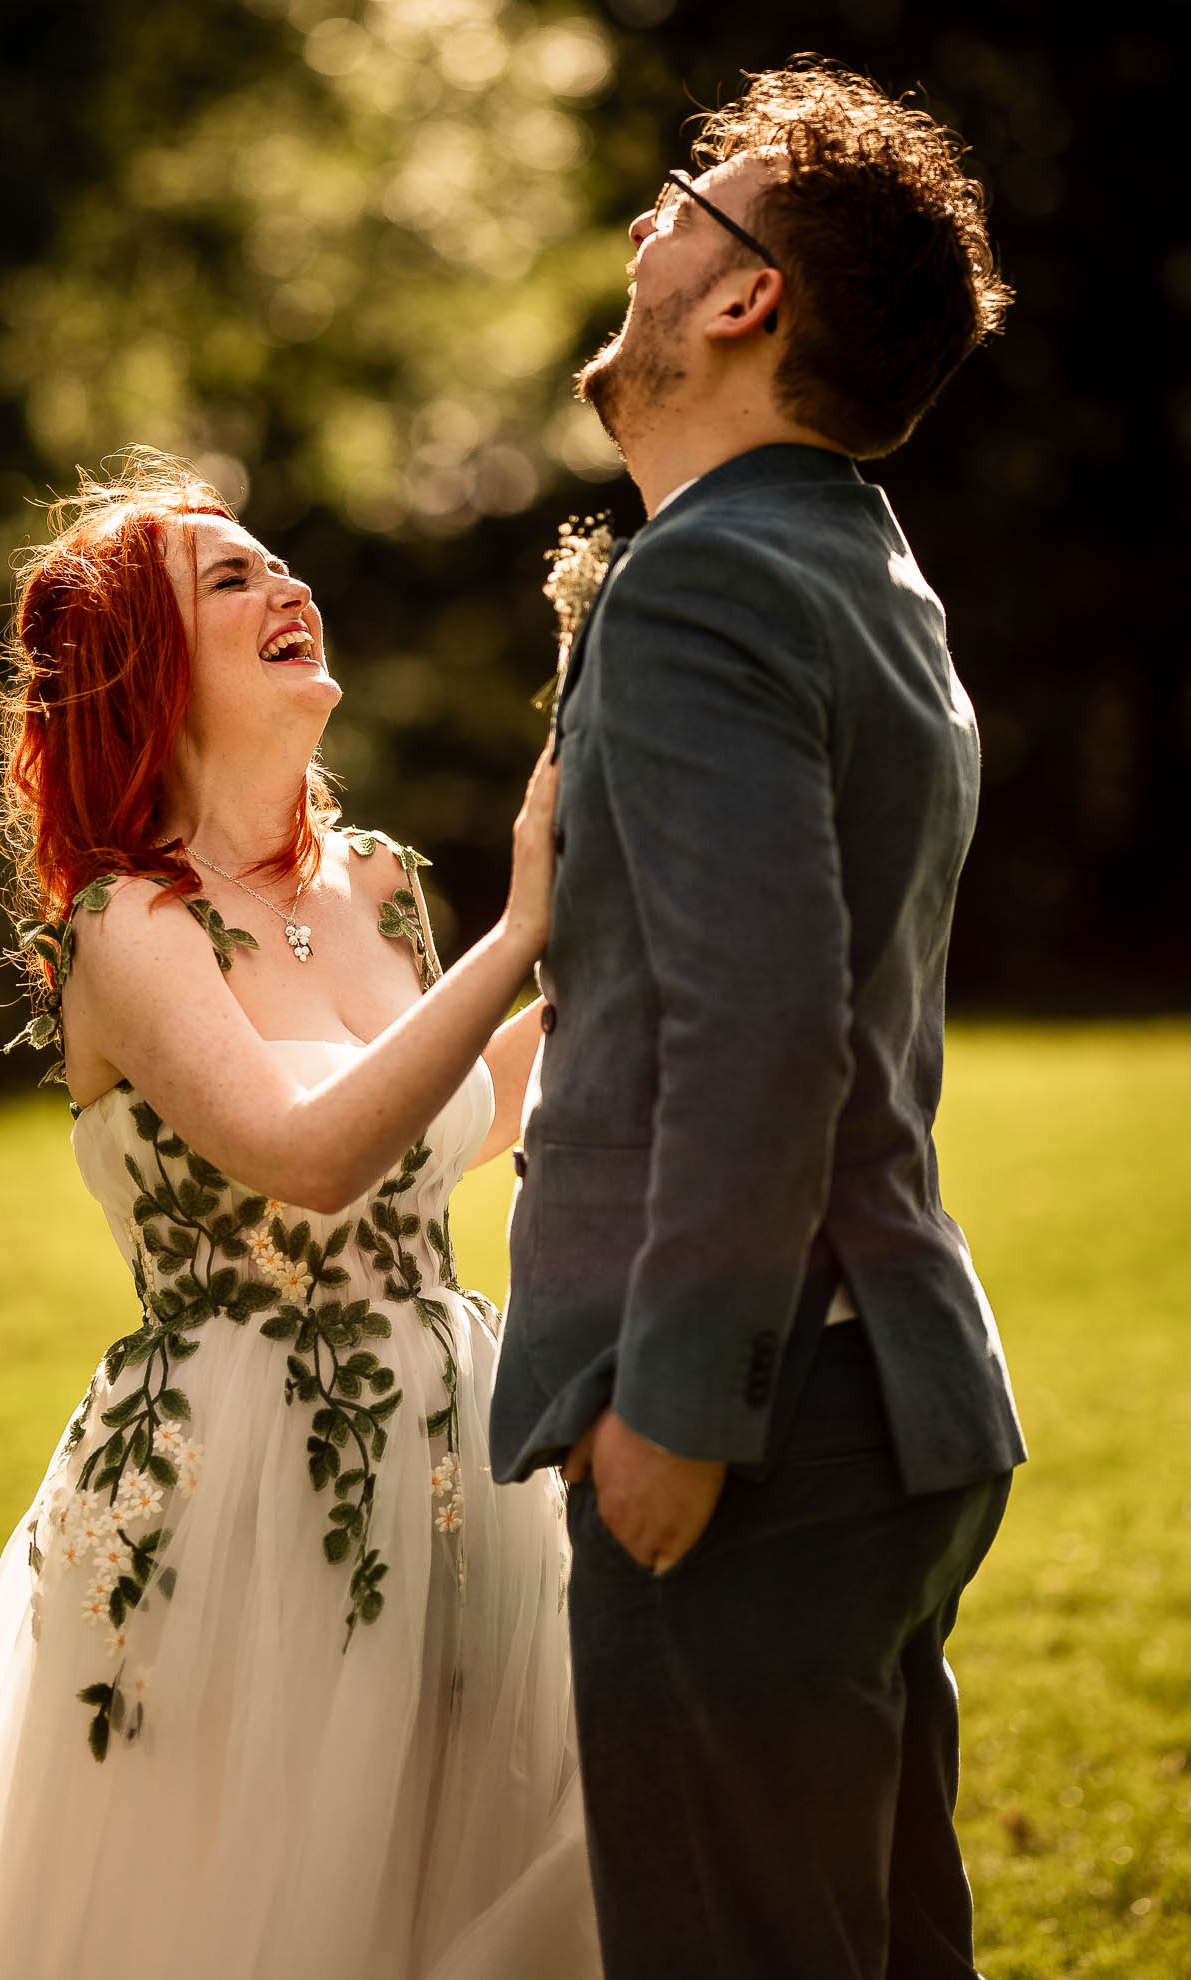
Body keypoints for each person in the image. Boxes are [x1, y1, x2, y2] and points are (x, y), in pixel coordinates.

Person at [0, 452, 601, 1980]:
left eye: (282, 563)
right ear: (149, 666)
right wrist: (527, 931)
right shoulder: (122, 923)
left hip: (458, 1447)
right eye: (233, 578)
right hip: (235, 1485)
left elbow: (442, 1122)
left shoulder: (384, 886)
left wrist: (617, 943)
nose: (290, 587)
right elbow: (307, 1154)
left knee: (457, 1849)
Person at [490, 58, 1028, 1980]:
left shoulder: (709, 580)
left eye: (684, 201)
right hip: (886, 1395)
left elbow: (767, 1023)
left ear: (744, 299)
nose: (647, 226)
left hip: (760, 1423)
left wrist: (680, 1398)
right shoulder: (873, 576)